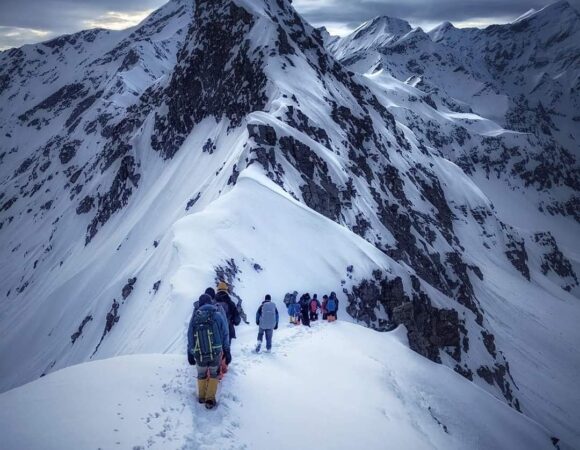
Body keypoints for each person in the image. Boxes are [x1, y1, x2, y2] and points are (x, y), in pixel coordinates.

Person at [187, 294, 231, 409]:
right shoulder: (217, 314)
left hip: (199, 353)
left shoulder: (195, 316)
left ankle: (201, 397)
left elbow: (190, 335)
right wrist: (226, 350)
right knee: (214, 374)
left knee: (201, 374)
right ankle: (210, 398)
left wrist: (190, 352)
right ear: (210, 302)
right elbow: (225, 333)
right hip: (215, 351)